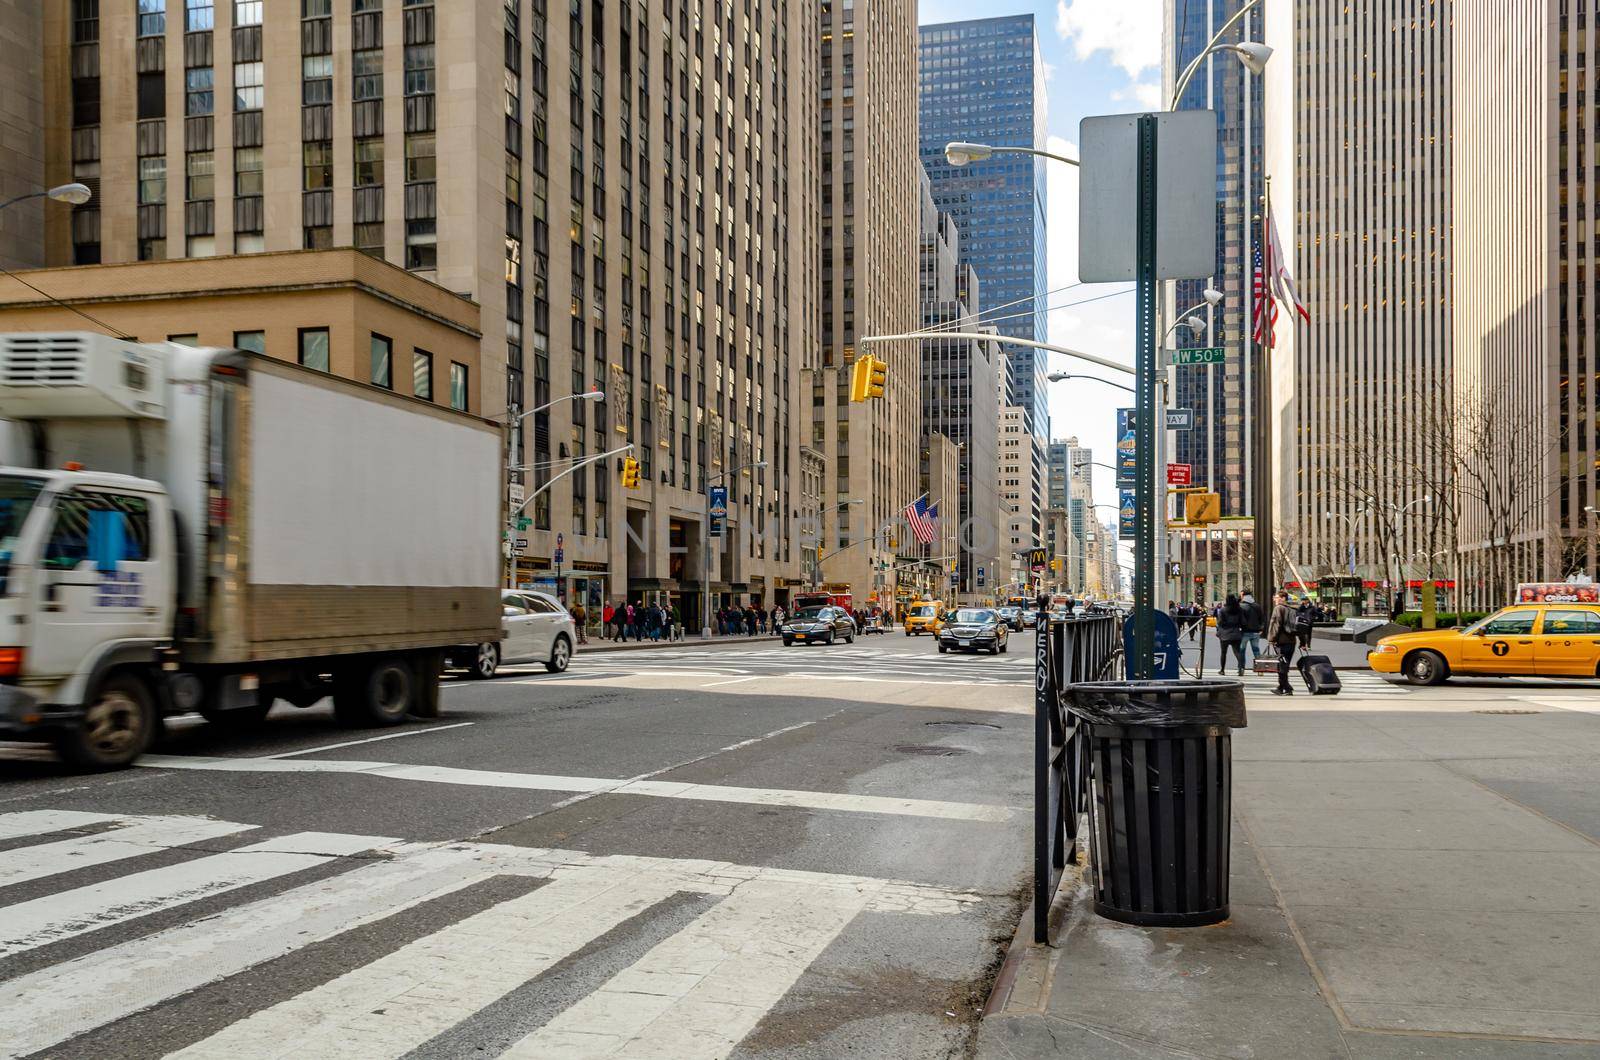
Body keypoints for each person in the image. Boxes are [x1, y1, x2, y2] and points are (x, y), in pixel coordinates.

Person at [1266, 590, 1298, 695]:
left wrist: (1271, 639)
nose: (1274, 599)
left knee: (1282, 665)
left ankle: (1287, 688)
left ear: (1283, 598)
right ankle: (1280, 688)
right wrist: (1303, 642)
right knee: (1284, 664)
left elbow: (1276, 625)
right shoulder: (1292, 609)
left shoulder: (1278, 608)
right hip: (1292, 641)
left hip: (1281, 641)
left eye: (1276, 597)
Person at [1216, 594, 1245, 676]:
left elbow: (1220, 622)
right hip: (1236, 632)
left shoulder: (1223, 610)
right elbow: (1243, 622)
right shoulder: (1239, 610)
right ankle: (1241, 668)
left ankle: (1222, 670)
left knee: (1223, 652)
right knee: (1237, 652)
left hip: (1225, 633)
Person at [1239, 590, 1264, 670]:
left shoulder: (1241, 606)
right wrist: (1261, 628)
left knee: (1242, 650)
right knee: (1256, 650)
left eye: (1241, 595)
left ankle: (1241, 668)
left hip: (1244, 632)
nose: (1240, 596)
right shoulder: (1257, 606)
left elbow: (1240, 619)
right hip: (1256, 632)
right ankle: (1260, 669)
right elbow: (1262, 618)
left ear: (1244, 595)